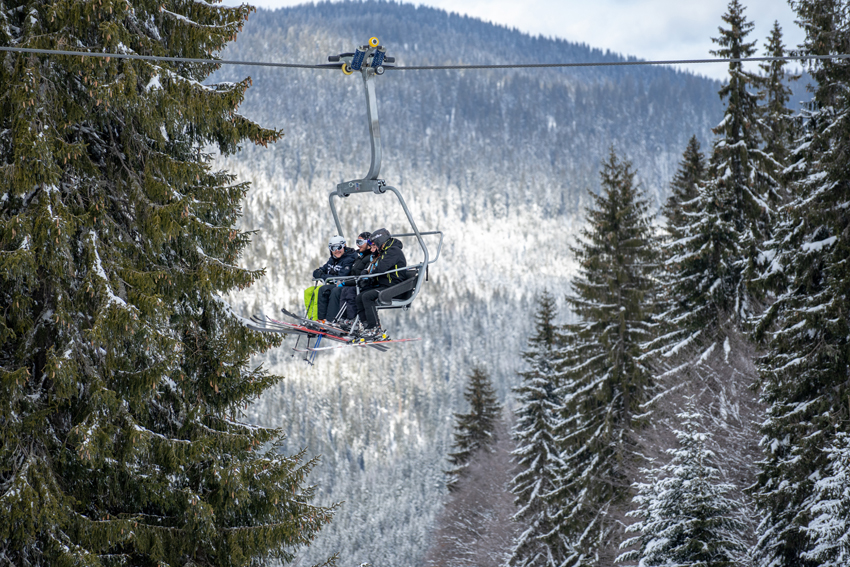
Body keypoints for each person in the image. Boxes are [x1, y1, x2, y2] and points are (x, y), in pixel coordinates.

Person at [354, 227, 407, 339]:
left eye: (374, 244)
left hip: (395, 286)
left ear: (379, 241)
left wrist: (369, 276)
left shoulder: (393, 251)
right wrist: (367, 278)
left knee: (367, 297)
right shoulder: (384, 252)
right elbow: (378, 270)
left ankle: (374, 328)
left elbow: (381, 268)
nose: (374, 247)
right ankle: (367, 327)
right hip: (385, 285)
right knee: (360, 297)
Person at [305, 235, 356, 321]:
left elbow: (341, 277)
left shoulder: (349, 259)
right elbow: (317, 272)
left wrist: (323, 276)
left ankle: (324, 319)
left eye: (339, 247)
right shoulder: (332, 260)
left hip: (343, 285)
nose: (336, 251)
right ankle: (312, 319)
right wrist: (321, 274)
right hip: (333, 284)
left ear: (344, 246)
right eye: (333, 248)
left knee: (321, 290)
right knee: (308, 291)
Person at [335, 231, 372, 324]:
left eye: (360, 242)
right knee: (345, 290)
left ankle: (352, 320)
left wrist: (346, 282)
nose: (358, 245)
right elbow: (352, 273)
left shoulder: (370, 257)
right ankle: (343, 318)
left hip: (363, 284)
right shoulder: (359, 257)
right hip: (355, 282)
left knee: (351, 292)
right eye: (357, 242)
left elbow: (363, 275)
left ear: (368, 243)